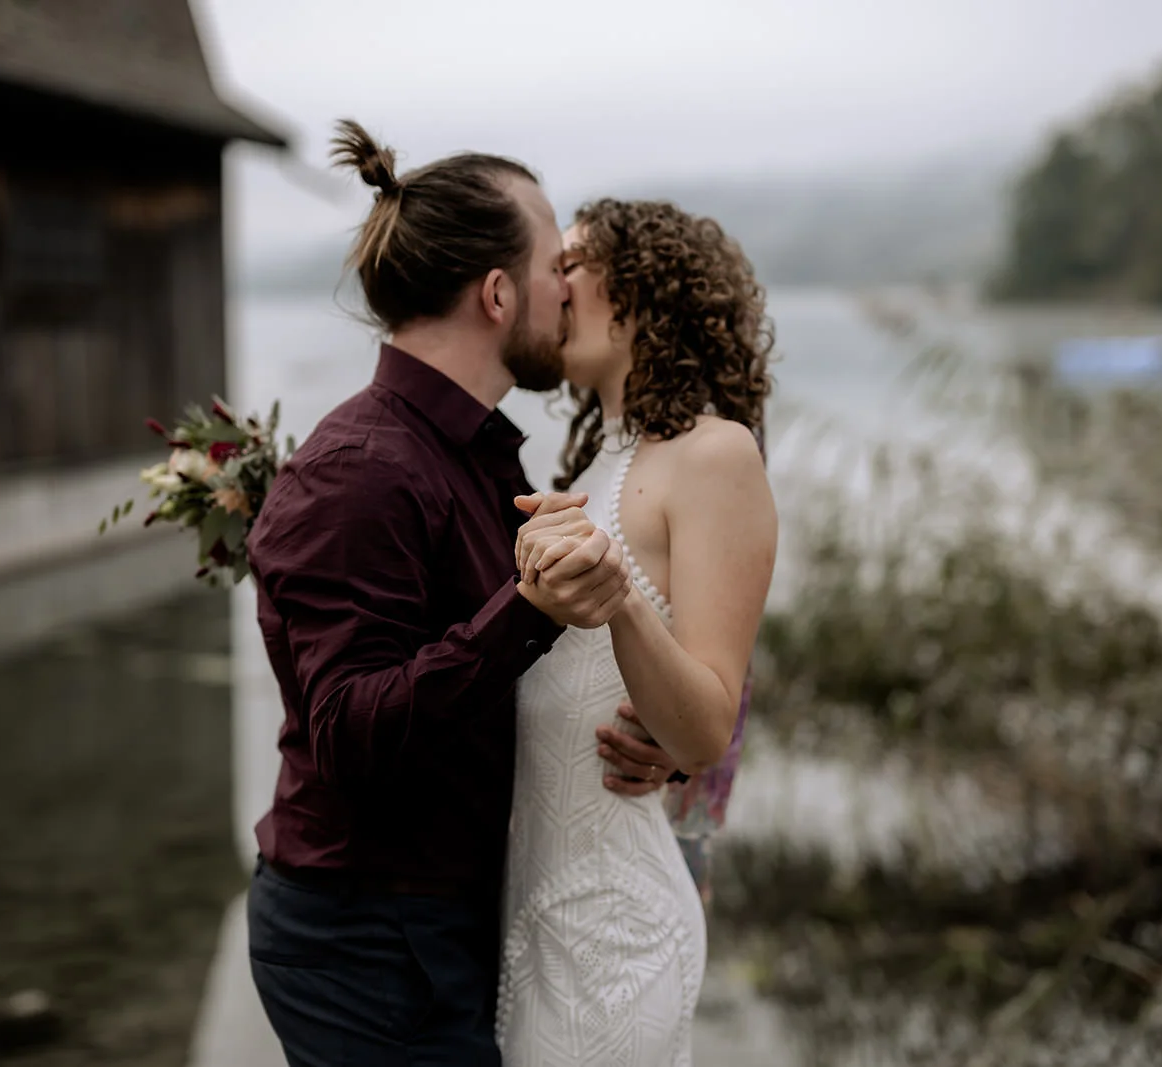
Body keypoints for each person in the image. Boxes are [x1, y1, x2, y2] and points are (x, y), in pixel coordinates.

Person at [242, 121, 683, 1066]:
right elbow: (351, 735)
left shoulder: (474, 455)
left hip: (438, 920)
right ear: (496, 294)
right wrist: (529, 609)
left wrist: (643, 740)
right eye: (554, 266)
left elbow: (486, 691)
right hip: (365, 939)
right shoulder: (361, 469)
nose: (569, 289)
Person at [496, 199, 777, 1066]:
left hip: (614, 934)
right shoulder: (592, 465)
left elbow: (704, 728)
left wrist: (618, 599)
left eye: (573, 263)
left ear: (644, 290)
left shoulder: (715, 454)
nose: (555, 285)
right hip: (531, 914)